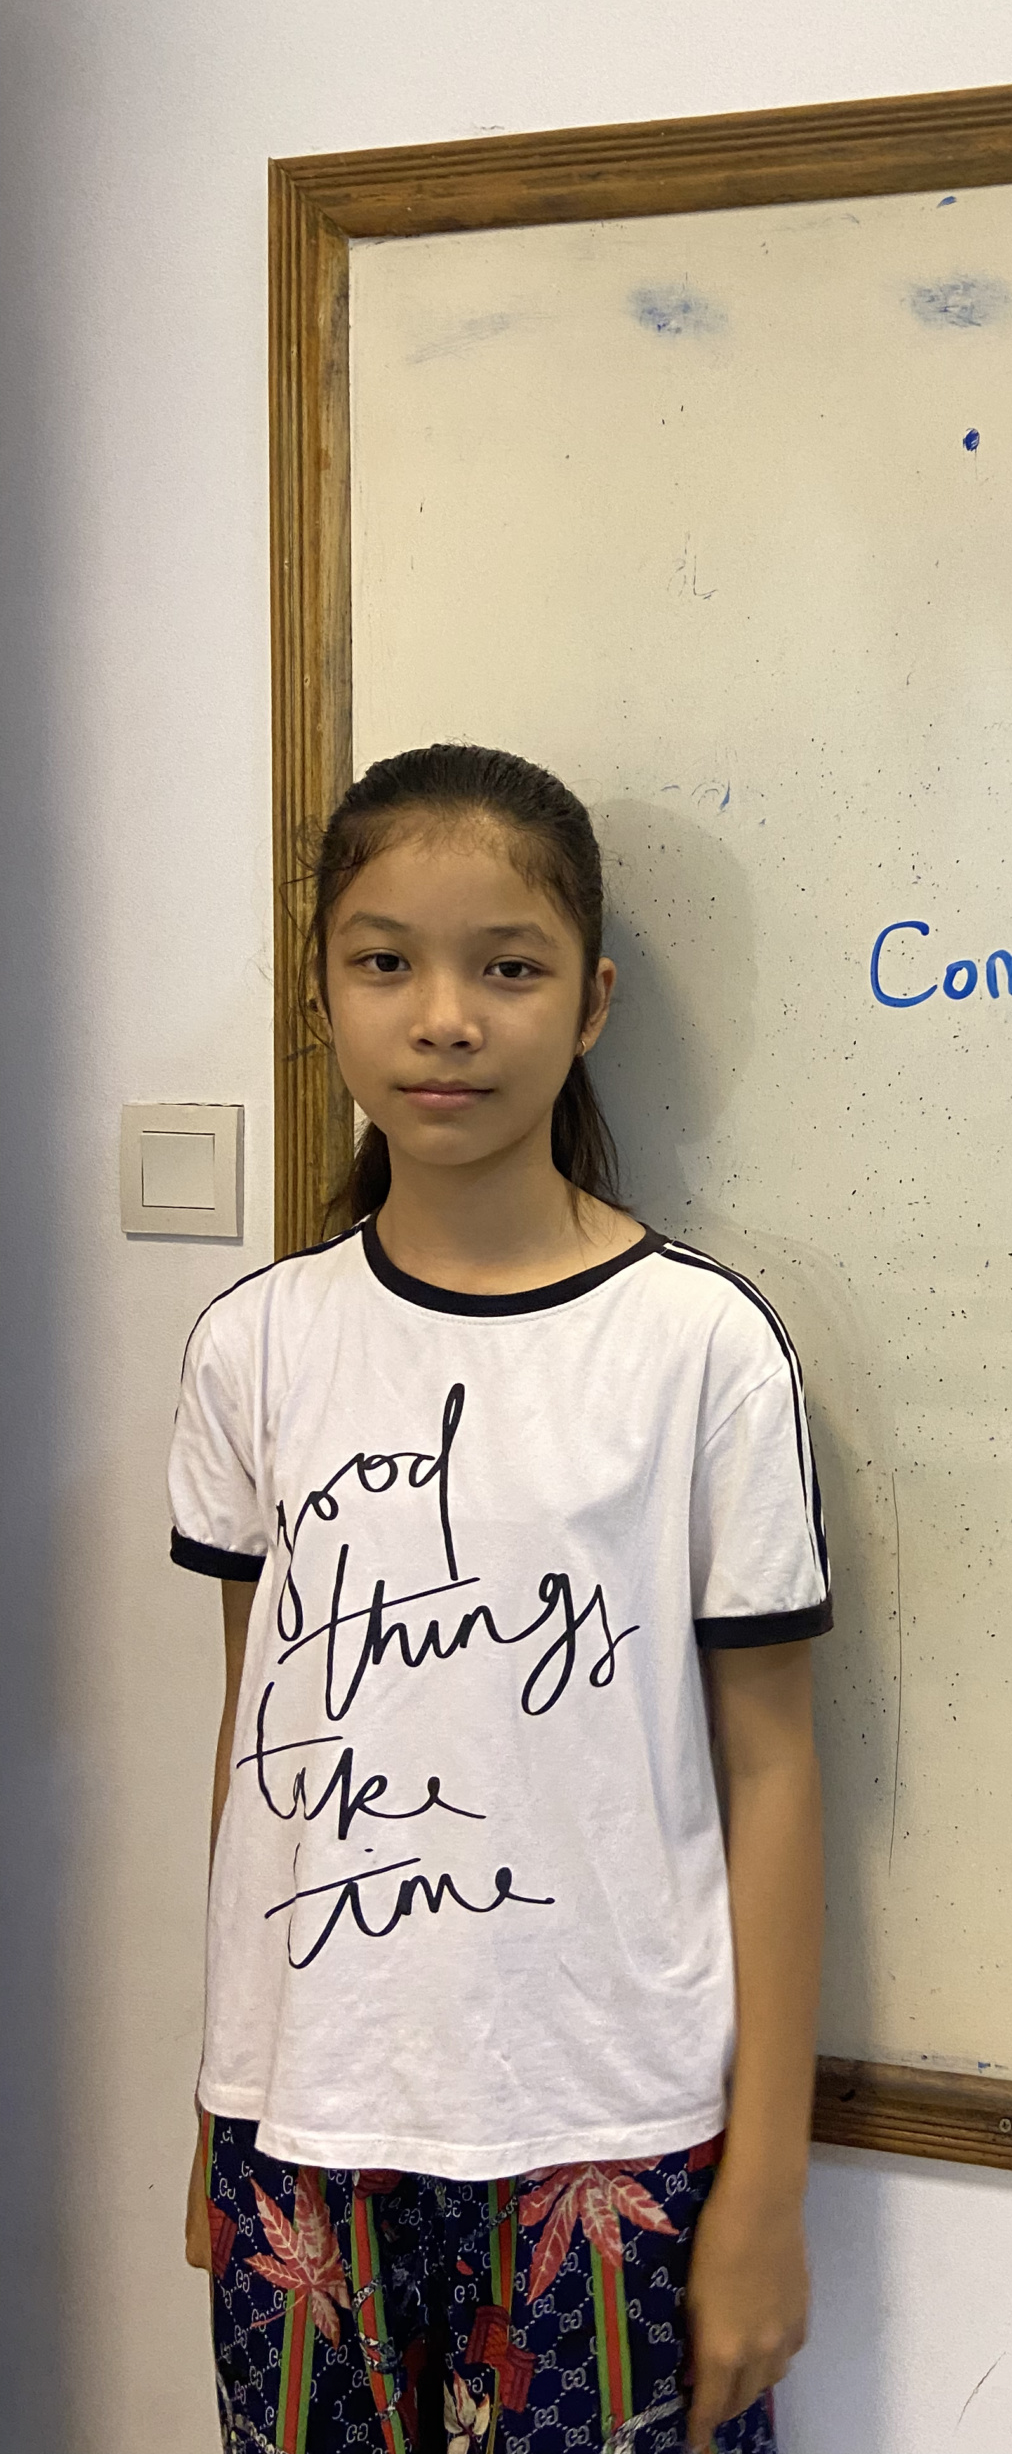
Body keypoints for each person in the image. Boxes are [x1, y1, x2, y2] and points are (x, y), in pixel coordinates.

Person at [169, 743, 828, 2454]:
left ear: (591, 1002)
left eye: (509, 967)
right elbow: (256, 1745)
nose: (446, 1018)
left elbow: (773, 1774)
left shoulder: (699, 1349)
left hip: (609, 2141)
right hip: (303, 2138)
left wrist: (766, 2190)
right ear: (322, 994)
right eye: (386, 961)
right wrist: (220, 2101)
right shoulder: (256, 1348)